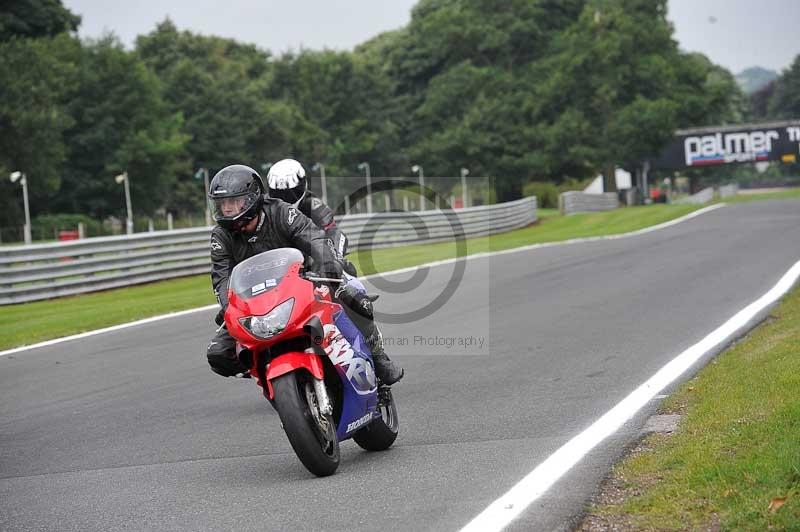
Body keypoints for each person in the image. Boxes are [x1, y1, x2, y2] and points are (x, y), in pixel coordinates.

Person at [206, 163, 403, 385]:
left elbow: (314, 237)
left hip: (305, 278)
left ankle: (378, 358)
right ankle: (267, 372)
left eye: (233, 202)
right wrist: (228, 305)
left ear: (252, 197)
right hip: (258, 297)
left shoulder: (282, 211)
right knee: (218, 353)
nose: (228, 209)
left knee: (354, 298)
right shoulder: (220, 236)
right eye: (222, 204)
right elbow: (221, 277)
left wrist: (328, 265)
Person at [266, 159, 403, 385]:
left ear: (302, 186)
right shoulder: (266, 214)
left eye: (291, 192)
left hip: (318, 268)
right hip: (283, 275)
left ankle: (379, 358)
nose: (286, 199)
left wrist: (333, 262)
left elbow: (336, 235)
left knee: (355, 293)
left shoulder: (314, 206)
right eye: (279, 193)